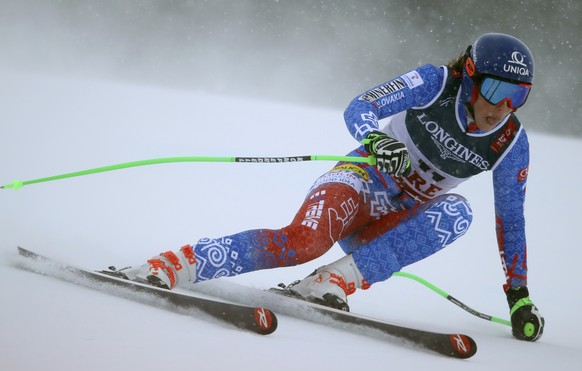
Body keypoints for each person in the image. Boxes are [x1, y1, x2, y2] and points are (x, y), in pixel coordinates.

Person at [114, 32, 544, 341]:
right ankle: (174, 264)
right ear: (470, 76)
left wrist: (518, 296)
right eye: (496, 89)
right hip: (362, 182)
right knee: (304, 242)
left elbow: (511, 221)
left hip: (392, 221)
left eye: (519, 96)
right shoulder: (435, 83)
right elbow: (362, 106)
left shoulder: (511, 144)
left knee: (457, 213)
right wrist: (378, 141)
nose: (504, 107)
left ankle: (330, 284)